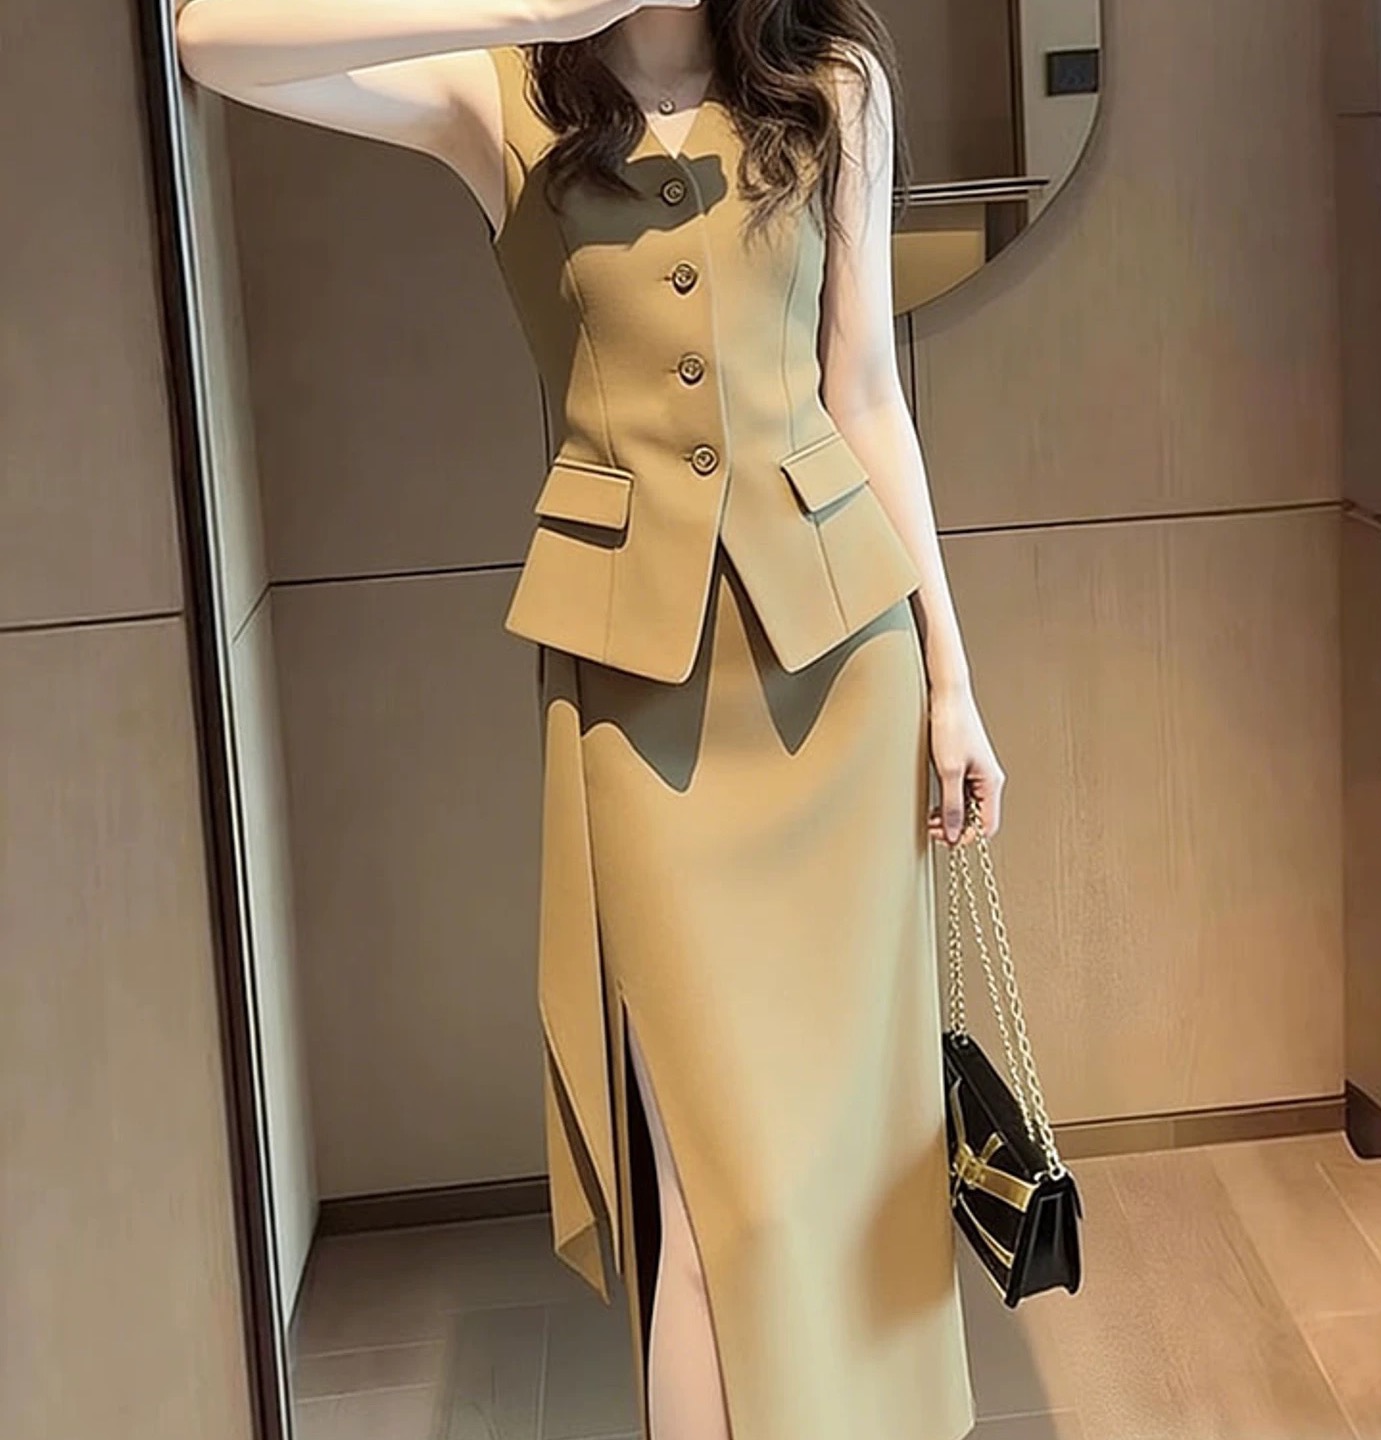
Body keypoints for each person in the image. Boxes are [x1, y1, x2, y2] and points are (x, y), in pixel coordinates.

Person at [176, 3, 1006, 1437]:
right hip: (638, 700)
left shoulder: (831, 85)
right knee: (709, 1194)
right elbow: (213, 43)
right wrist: (538, 4)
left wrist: (951, 679)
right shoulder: (495, 93)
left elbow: (866, 393)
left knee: (838, 1176)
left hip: (840, 680)